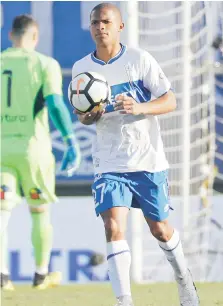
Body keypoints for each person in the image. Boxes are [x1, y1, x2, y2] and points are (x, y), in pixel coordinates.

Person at [72, 3, 200, 306]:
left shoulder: (139, 60)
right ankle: (124, 300)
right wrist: (92, 114)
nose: (99, 27)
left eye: (105, 21)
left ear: (120, 26)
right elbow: (83, 116)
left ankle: (184, 281)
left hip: (146, 159)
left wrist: (139, 107)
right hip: (109, 161)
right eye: (94, 22)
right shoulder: (81, 69)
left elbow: (170, 100)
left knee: (160, 229)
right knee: (112, 225)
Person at [1, 15, 81, 290]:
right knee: (39, 210)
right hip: (32, 149)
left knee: (1, 213)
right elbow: (56, 105)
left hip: (1, 150)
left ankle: (2, 278)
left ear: (11, 36)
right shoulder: (45, 64)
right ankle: (40, 275)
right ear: (34, 37)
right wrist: (71, 141)